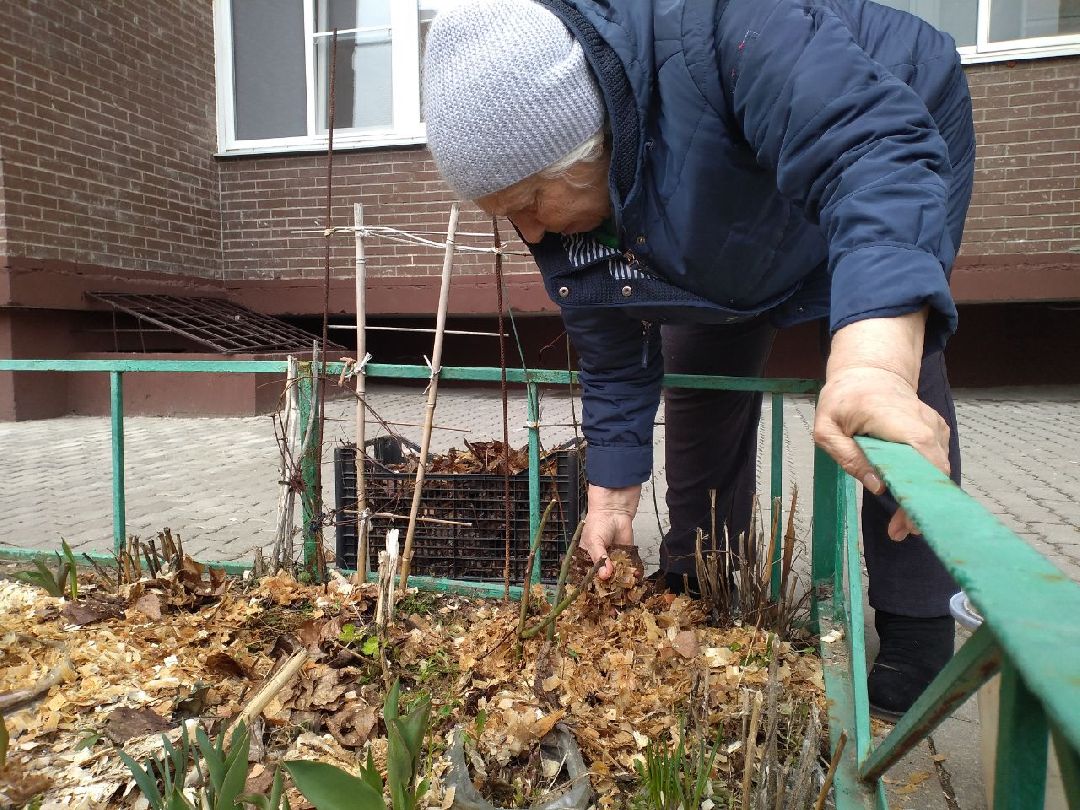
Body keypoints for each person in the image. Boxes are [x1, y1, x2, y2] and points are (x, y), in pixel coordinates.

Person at [421, 0, 975, 719]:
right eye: (506, 215)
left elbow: (868, 156)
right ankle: (698, 574)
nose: (529, 231)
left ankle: (918, 619)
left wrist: (874, 358)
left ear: (590, 141)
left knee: (887, 379)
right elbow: (611, 347)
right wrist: (610, 497)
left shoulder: (726, 27)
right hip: (721, 202)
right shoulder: (569, 199)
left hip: (880, 133)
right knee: (703, 369)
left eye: (529, 200)